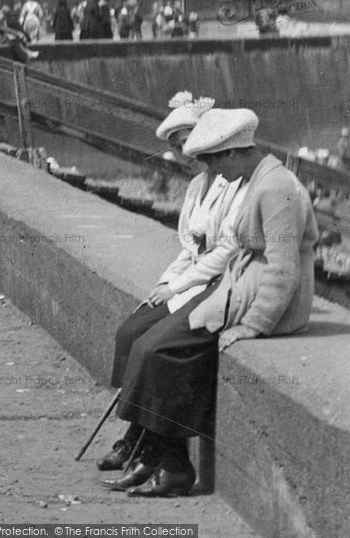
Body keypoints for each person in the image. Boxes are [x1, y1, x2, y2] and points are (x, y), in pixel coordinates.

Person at [100, 108, 319, 497]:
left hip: (260, 297)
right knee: (150, 345)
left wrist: (255, 324)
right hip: (239, 284)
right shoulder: (258, 179)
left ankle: (171, 466)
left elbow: (283, 270)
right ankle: (161, 457)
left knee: (160, 350)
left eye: (216, 161)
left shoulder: (277, 188)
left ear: (234, 154)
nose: (215, 173)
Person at [97, 99, 253, 491]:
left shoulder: (234, 181)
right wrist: (164, 284)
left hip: (216, 281)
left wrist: (179, 286)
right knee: (129, 333)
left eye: (191, 144)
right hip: (192, 279)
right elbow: (189, 245)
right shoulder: (198, 185)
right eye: (181, 146)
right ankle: (140, 436)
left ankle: (160, 454)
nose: (187, 154)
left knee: (155, 347)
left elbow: (225, 250)